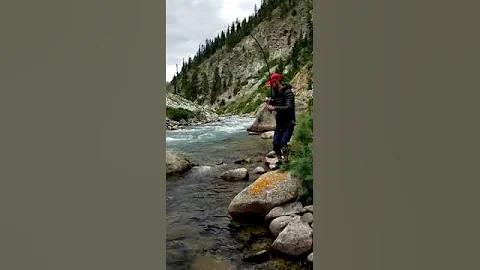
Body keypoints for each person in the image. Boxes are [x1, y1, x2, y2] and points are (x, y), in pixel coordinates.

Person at [264, 72, 296, 160]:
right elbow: (277, 102)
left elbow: (289, 107)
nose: (270, 86)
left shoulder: (288, 93)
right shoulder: (275, 93)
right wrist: (270, 102)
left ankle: (286, 161)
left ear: (277, 82)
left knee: (283, 143)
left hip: (289, 122)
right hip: (280, 122)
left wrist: (274, 107)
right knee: (275, 143)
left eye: (271, 83)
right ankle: (279, 160)